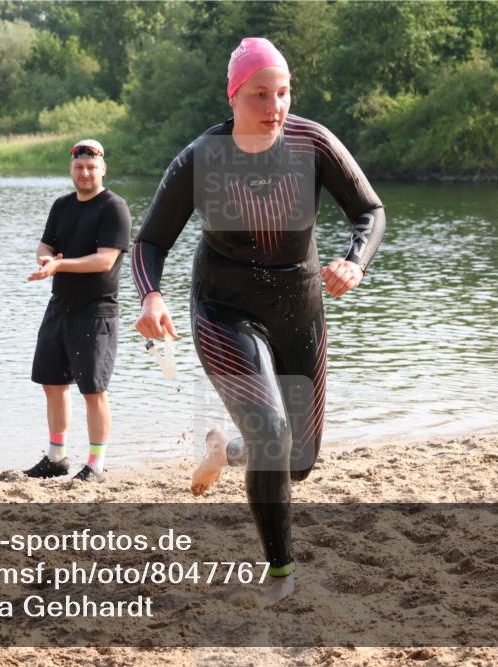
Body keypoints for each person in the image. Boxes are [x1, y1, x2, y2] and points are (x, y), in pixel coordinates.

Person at [132, 37, 385, 601]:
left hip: (301, 312)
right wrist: (152, 296)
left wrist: (355, 261)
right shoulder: (203, 158)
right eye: (260, 95)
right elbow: (149, 241)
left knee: (297, 462)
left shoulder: (312, 143)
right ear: (234, 97)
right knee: (274, 433)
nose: (275, 106)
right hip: (225, 313)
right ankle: (281, 576)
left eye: (284, 92)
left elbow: (370, 209)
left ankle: (230, 449)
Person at [25, 139, 132, 482]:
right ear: (71, 169)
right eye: (78, 167)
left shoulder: (113, 207)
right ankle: (56, 457)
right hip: (60, 307)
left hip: (96, 311)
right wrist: (45, 258)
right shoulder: (62, 206)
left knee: (93, 390)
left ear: (103, 169)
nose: (84, 173)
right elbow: (47, 243)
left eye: (91, 167)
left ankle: (97, 465)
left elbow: (104, 260)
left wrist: (59, 266)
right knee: (52, 383)